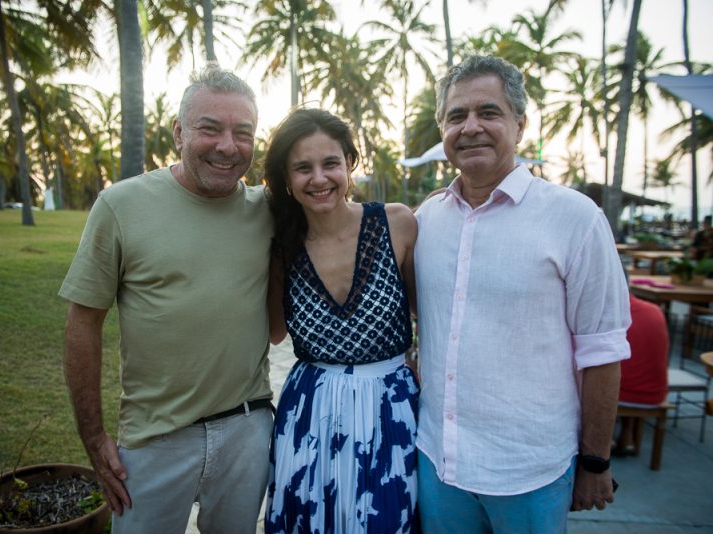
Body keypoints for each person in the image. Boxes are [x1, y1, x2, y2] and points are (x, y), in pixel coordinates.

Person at [414, 55, 631, 533]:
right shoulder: (426, 221)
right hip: (437, 463)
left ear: (520, 124)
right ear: (443, 129)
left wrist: (595, 460)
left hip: (530, 472)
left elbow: (603, 349)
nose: (470, 127)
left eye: (488, 112)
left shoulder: (576, 219)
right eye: (456, 116)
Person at [59, 65, 274, 533]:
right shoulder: (121, 205)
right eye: (209, 128)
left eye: (243, 132)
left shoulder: (267, 210)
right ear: (178, 131)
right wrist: (93, 437)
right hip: (155, 439)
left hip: (247, 428)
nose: (227, 146)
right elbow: (83, 321)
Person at [262, 108, 419, 533]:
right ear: (287, 179)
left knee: (388, 519)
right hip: (311, 412)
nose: (319, 178)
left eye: (330, 163)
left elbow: (430, 316)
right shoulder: (281, 247)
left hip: (390, 407)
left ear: (350, 163)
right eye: (302, 168)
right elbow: (274, 331)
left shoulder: (398, 224)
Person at [614, 276, 669, 455]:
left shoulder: (608, 313)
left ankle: (606, 440)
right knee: (631, 369)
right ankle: (627, 434)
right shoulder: (655, 311)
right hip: (655, 393)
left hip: (617, 394)